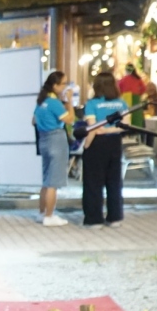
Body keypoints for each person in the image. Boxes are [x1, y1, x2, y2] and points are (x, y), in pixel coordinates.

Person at [81, 72, 129, 228]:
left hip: (97, 144)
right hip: (115, 143)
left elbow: (93, 128)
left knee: (94, 182)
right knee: (114, 181)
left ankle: (94, 219)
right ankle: (115, 217)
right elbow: (125, 125)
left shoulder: (92, 104)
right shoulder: (121, 103)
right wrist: (111, 131)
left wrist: (86, 145)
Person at [32, 71, 74, 227]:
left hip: (43, 139)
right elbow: (70, 120)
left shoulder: (41, 101)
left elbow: (33, 120)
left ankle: (42, 213)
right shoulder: (54, 102)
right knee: (53, 182)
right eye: (63, 83)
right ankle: (49, 216)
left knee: (46, 179)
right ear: (55, 85)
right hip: (56, 139)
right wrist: (69, 102)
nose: (65, 87)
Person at [119, 64, 147, 129]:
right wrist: (138, 94)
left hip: (125, 99)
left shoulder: (123, 79)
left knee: (126, 115)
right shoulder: (138, 79)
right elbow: (144, 88)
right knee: (136, 116)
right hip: (136, 99)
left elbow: (118, 89)